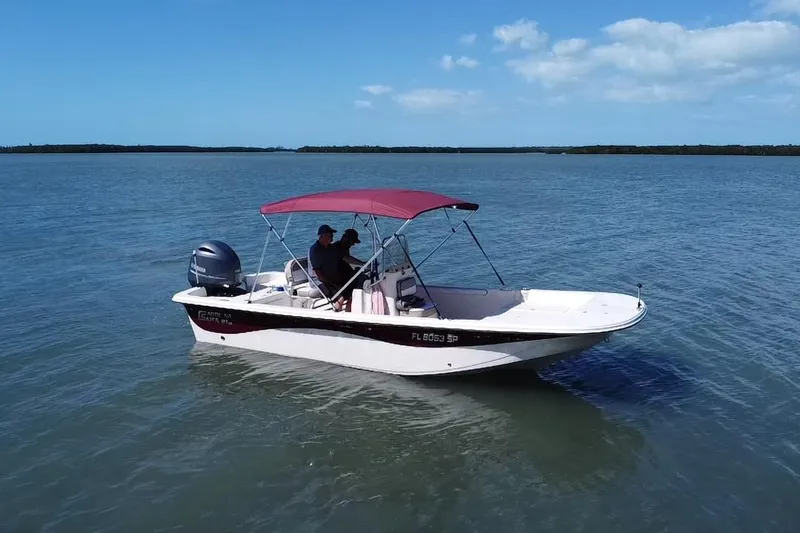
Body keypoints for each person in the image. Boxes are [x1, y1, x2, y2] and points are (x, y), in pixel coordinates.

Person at [308, 224, 355, 310]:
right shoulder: (315, 250)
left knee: (351, 291)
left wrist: (362, 263)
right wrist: (332, 284)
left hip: (331, 278)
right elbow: (318, 273)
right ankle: (336, 314)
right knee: (340, 297)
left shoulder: (331, 248)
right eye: (330, 236)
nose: (332, 239)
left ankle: (348, 314)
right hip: (319, 281)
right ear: (322, 236)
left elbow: (344, 257)